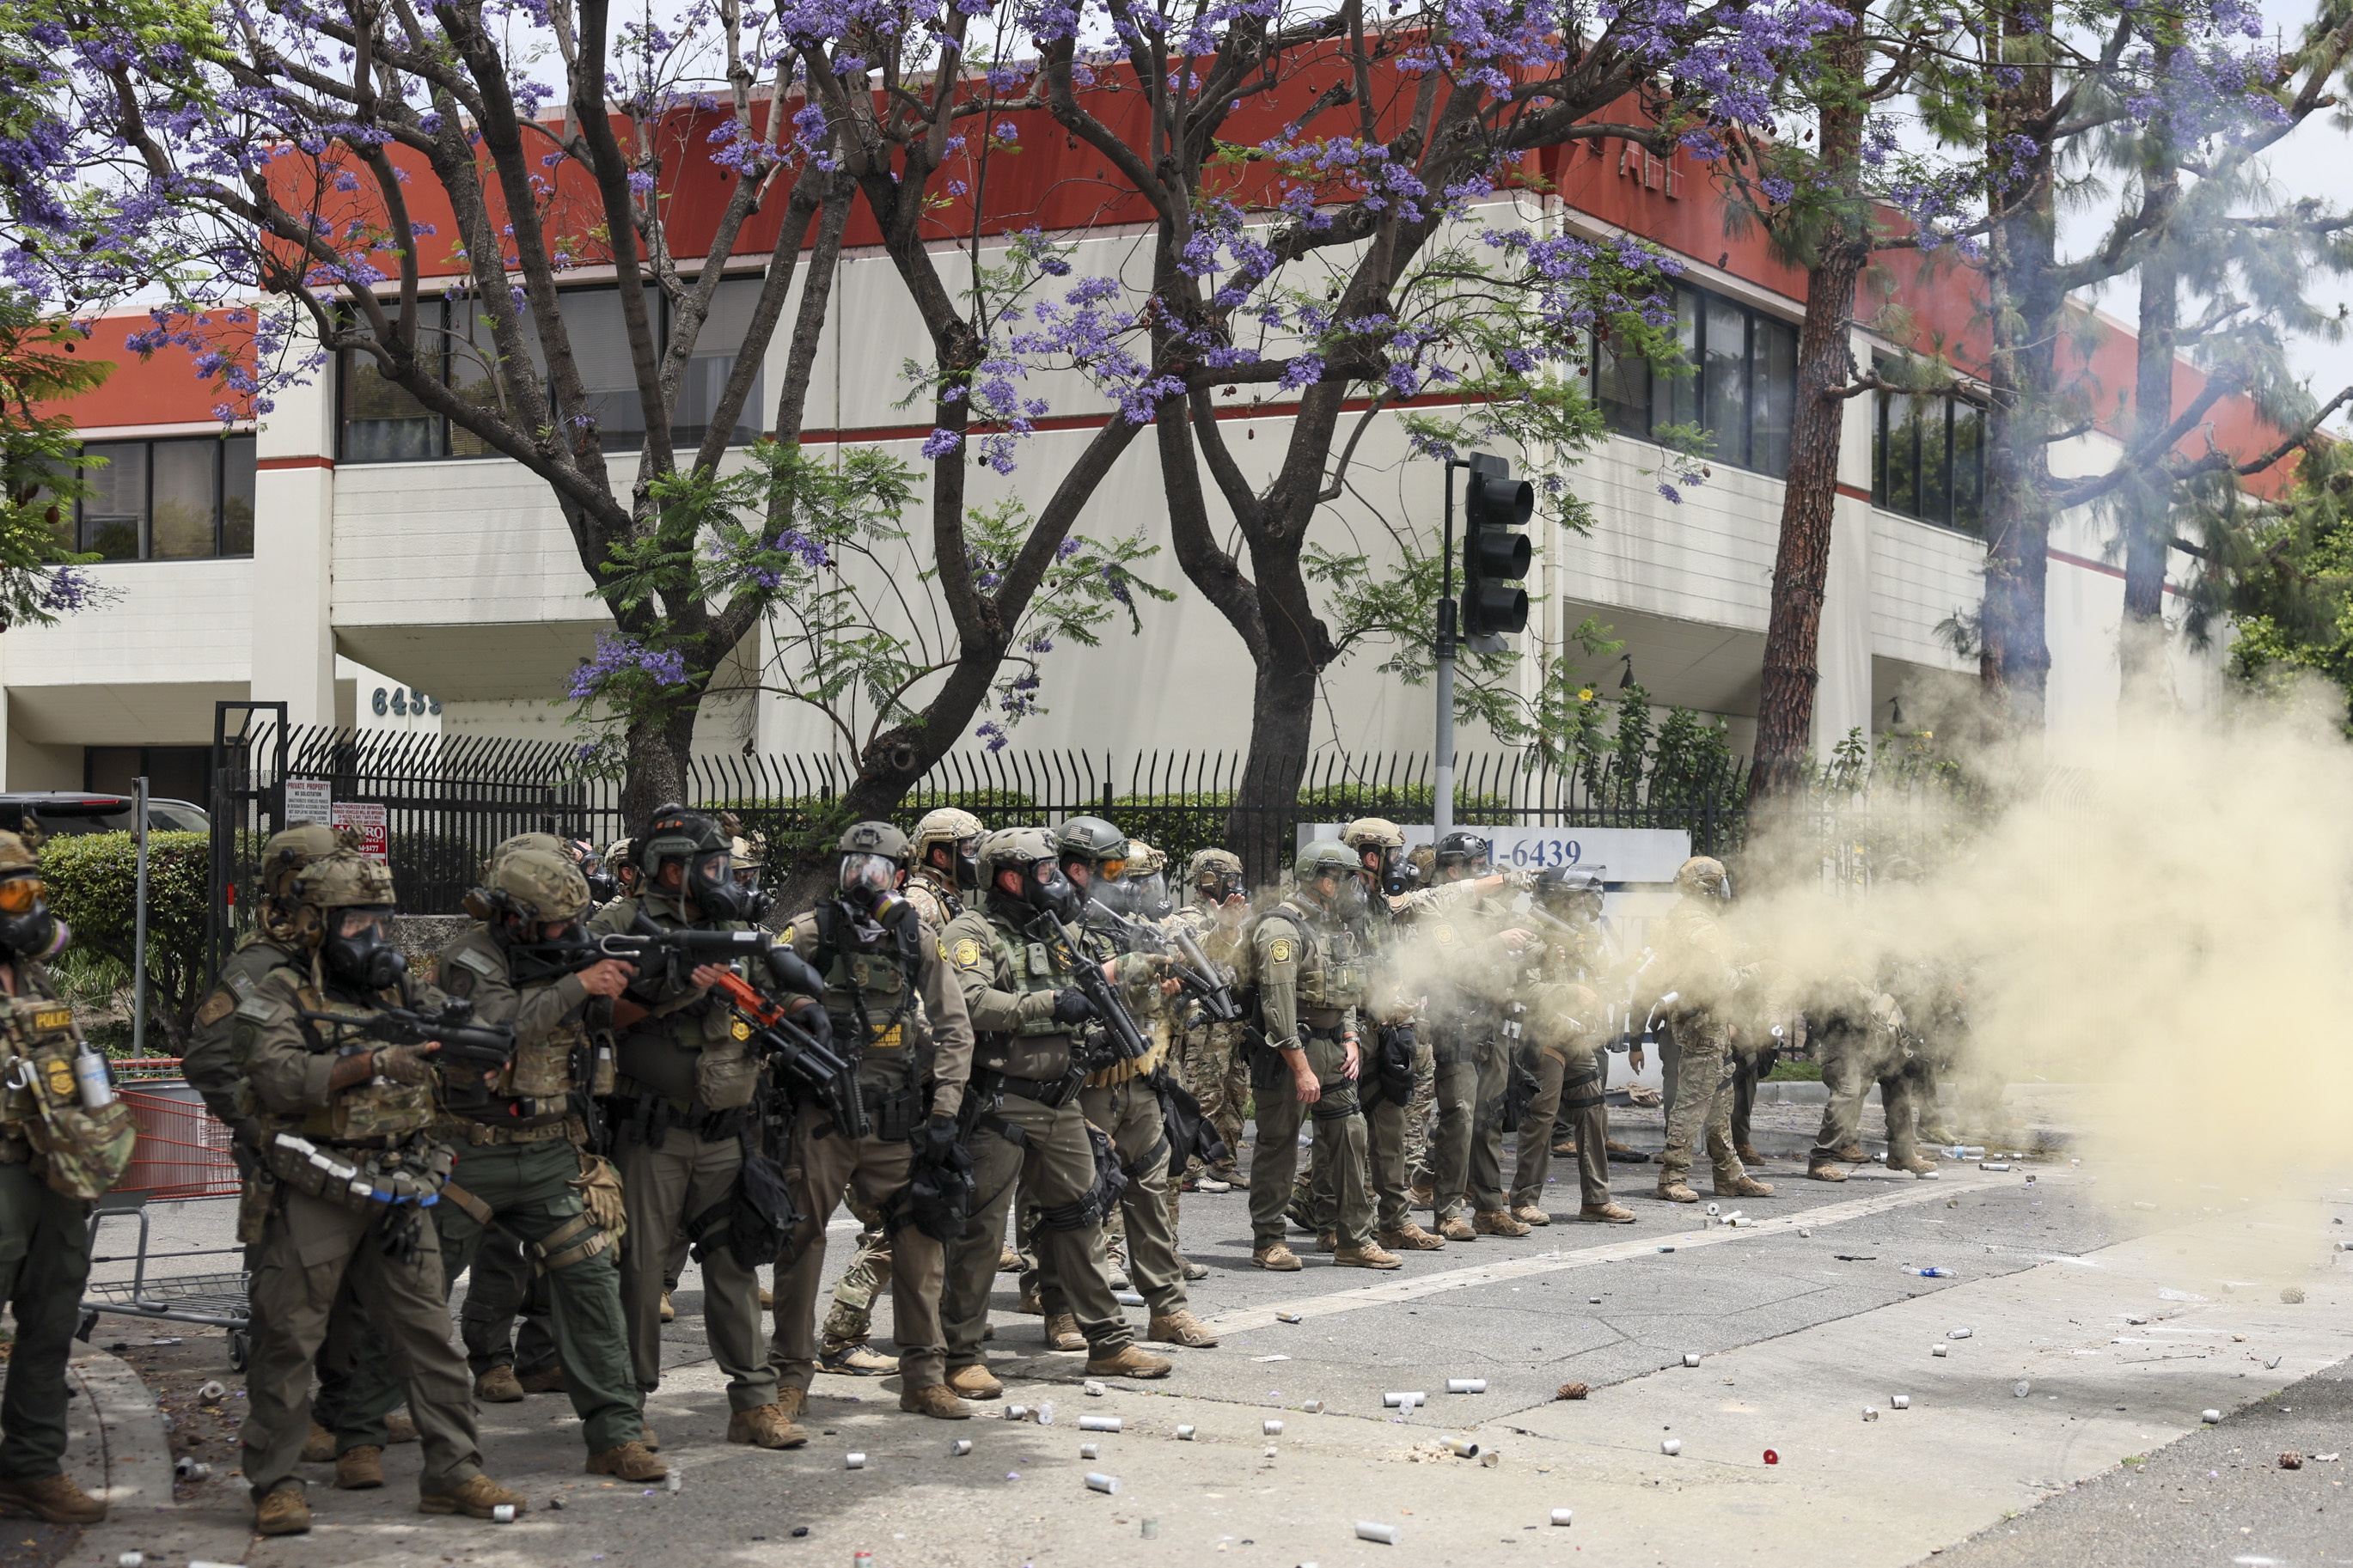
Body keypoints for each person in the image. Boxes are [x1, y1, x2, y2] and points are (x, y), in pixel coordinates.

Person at [333, 848, 660, 1484]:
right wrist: (579, 981)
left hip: (550, 1152)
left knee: (593, 1287)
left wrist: (659, 984)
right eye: (555, 925)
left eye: (573, 923)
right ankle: (358, 1432)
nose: (569, 935)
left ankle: (616, 1434)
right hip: (466, 1156)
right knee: (412, 1292)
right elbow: (495, 1023)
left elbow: (605, 1016)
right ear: (515, 918)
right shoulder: (469, 956)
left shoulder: (569, 952)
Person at [231, 849, 524, 1534]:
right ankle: (275, 1483)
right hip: (315, 1184)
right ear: (313, 925)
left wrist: (475, 1046)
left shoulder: (396, 992)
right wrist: (369, 1061)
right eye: (355, 921)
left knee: (429, 1335)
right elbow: (274, 1077)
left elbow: (460, 1032)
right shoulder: (277, 991)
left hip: (400, 1183)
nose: (373, 936)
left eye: (380, 921)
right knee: (289, 1339)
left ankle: (452, 1470)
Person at [588, 807, 800, 1449]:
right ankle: (627, 1407)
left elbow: (773, 991)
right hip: (653, 1131)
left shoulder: (734, 928)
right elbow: (594, 1012)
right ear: (671, 867)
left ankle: (754, 1403)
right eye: (711, 865)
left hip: (727, 1129)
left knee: (734, 1262)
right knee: (642, 1271)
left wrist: (805, 1009)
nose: (723, 875)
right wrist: (672, 986)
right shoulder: (620, 924)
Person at [938, 827, 1171, 1395]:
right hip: (1001, 1100)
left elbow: (1087, 991)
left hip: (1061, 1100)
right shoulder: (971, 931)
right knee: (981, 1229)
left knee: (1082, 1217)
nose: (1057, 880)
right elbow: (969, 1002)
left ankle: (1109, 1342)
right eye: (1044, 871)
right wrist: (1049, 1004)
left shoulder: (1056, 931)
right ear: (1010, 876)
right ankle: (960, 1353)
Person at [770, 822, 979, 1422]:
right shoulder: (809, 933)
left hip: (893, 1118)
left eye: (877, 869)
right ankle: (790, 1378)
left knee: (920, 1239)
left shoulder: (916, 937)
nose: (863, 880)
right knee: (801, 1242)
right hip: (821, 1118)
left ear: (901, 876)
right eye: (853, 867)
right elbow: (761, 997)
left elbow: (954, 1026)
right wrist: (799, 1011)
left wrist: (943, 1111)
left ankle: (924, 1375)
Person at [1048, 821, 1216, 1349]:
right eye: (1114, 869)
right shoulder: (1055, 928)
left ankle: (1167, 1309)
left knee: (1149, 1194)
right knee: (1076, 1201)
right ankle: (1063, 1312)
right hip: (1086, 1085)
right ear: (1081, 869)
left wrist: (1170, 994)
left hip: (1138, 1079)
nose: (1125, 882)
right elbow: (1061, 1000)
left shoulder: (1127, 926)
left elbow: (1155, 1012)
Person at [0, 832, 123, 1526]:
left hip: (51, 1175)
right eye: (14, 892)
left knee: (50, 1325)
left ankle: (31, 1469)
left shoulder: (35, 976)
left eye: (35, 891)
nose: (30, 907)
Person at [1245, 840, 1400, 1272]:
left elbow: (1345, 988)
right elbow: (1278, 1005)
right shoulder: (1282, 929)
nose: (1358, 887)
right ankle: (1269, 1241)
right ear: (1325, 879)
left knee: (1350, 1138)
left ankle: (1354, 1240)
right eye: (1351, 878)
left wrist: (1350, 1035)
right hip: (1291, 1050)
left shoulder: (1334, 926)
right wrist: (1300, 1066)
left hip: (1333, 1047)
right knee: (1279, 1145)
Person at [1293, 818, 1445, 1254]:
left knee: (1391, 1126)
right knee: (1339, 1131)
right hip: (1348, 1028)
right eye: (1395, 854)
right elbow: (1333, 973)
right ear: (1373, 856)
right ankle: (1330, 1223)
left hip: (1386, 1028)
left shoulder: (1381, 902)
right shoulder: (1335, 906)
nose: (1401, 862)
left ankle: (1395, 1221)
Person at [1400, 832, 1536, 1239]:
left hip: (1492, 1022)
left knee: (1490, 1115)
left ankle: (1490, 1208)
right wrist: (1498, 942)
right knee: (1458, 1117)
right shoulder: (1436, 912)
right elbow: (1455, 964)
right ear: (1454, 869)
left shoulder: (1490, 909)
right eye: (1477, 866)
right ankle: (1448, 1211)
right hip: (1455, 1023)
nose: (1485, 872)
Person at [1507, 869, 1635, 1223]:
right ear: (1557, 897)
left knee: (1594, 1109)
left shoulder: (1576, 933)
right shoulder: (1528, 931)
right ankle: (1523, 1201)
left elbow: (1597, 976)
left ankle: (1595, 1200)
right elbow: (1523, 991)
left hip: (1574, 1036)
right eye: (1574, 896)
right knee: (1541, 1118)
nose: (1582, 903)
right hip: (1541, 1036)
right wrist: (1571, 993)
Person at [1652, 857, 1773, 1205]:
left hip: (1710, 1026)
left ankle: (1729, 1175)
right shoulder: (1698, 925)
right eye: (1719, 883)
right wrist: (1760, 969)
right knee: (1692, 1104)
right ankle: (1672, 1176)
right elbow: (1721, 980)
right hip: (1702, 1026)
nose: (1724, 890)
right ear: (1708, 887)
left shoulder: (1694, 920)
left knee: (1720, 1105)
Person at [1162, 849, 1251, 1191]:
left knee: (1236, 1093)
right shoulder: (1185, 919)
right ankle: (1191, 1165)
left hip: (1236, 1018)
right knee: (1204, 1093)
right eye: (1226, 878)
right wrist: (1221, 927)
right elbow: (1182, 957)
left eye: (1235, 877)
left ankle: (1223, 1162)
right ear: (1207, 880)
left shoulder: (1242, 914)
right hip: (1204, 1021)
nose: (1233, 885)